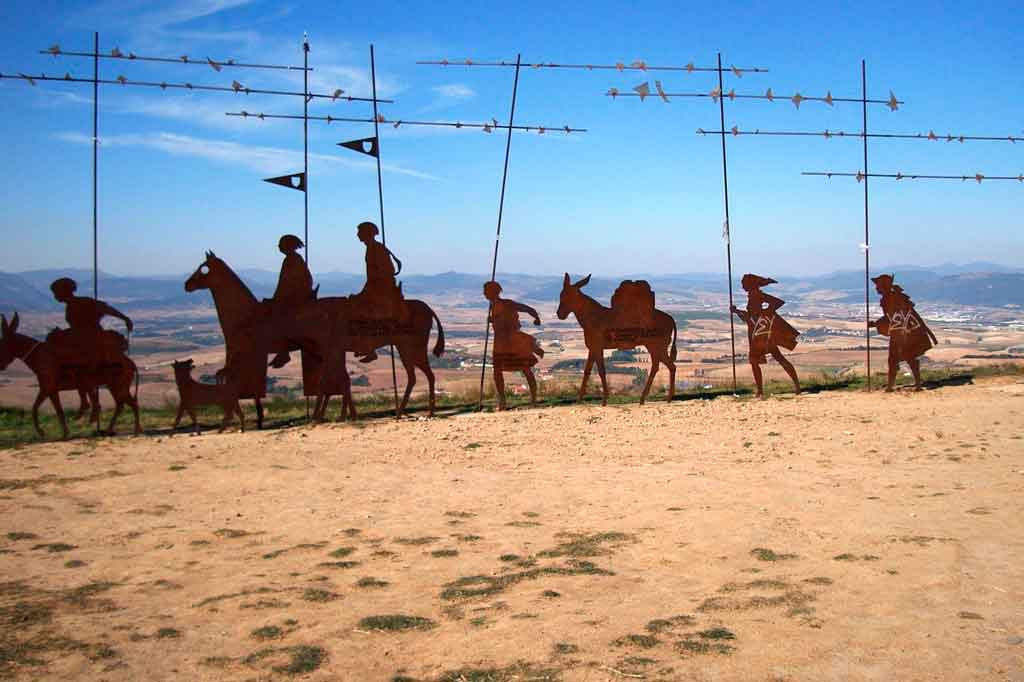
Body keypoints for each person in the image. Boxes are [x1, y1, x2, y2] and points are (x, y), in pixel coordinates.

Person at [730, 274, 800, 398]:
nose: (742, 286)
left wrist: (766, 313)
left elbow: (776, 303)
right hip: (759, 334)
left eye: (743, 283)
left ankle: (760, 391)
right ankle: (796, 386)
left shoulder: (757, 295)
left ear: (749, 284)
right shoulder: (753, 295)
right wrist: (737, 312)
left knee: (755, 361)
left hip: (760, 336)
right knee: (777, 359)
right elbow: (750, 317)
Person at [869, 273, 937, 391]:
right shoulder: (889, 298)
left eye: (878, 286)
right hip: (900, 333)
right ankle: (894, 386)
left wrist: (875, 324)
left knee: (904, 357)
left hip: (903, 333)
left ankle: (912, 385)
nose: (876, 288)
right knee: (897, 358)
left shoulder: (893, 298)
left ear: (884, 286)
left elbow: (894, 317)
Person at [484, 281, 544, 409]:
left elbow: (527, 309)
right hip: (500, 342)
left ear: (492, 292)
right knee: (498, 371)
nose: (484, 294)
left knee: (525, 369)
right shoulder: (493, 306)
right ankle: (503, 402)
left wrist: (536, 318)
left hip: (511, 341)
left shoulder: (507, 304)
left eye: (486, 291)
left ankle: (533, 400)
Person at [351, 221, 405, 362]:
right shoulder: (371, 248)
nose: (357, 235)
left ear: (367, 233)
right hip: (375, 288)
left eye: (359, 232)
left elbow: (386, 272)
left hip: (382, 289)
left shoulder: (377, 248)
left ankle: (369, 347)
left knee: (362, 312)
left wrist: (367, 291)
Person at [47, 277, 133, 366]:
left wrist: (125, 318)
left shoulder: (84, 302)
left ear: (64, 292)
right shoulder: (73, 304)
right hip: (79, 334)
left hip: (89, 336)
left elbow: (105, 308)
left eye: (56, 293)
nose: (55, 296)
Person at [265, 234, 315, 369]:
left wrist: (276, 300)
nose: (279, 247)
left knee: (278, 317)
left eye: (281, 244)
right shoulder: (293, 259)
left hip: (296, 298)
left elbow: (285, 284)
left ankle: (283, 351)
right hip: (295, 296)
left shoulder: (292, 260)